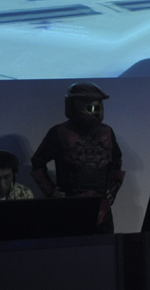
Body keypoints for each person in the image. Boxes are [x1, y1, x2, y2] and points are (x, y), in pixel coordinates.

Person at [30, 82, 124, 233]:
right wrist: (50, 191)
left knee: (105, 245)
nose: (95, 112)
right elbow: (38, 163)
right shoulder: (59, 132)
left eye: (98, 106)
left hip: (101, 206)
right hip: (69, 205)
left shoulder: (106, 131)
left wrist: (112, 190)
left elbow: (116, 162)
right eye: (90, 106)